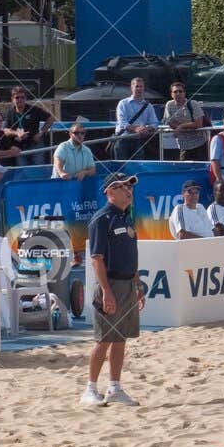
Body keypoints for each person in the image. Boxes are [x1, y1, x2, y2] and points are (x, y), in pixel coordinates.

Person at [81, 172, 145, 408]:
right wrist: (107, 291)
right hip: (111, 284)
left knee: (120, 339)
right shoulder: (102, 219)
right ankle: (90, 389)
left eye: (130, 186)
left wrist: (137, 284)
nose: (129, 190)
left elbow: (131, 256)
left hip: (127, 283)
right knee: (104, 339)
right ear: (109, 191)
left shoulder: (126, 217)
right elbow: (97, 258)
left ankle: (115, 388)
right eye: (122, 186)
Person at [161, 82, 210, 164]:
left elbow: (198, 124)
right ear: (171, 94)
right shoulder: (169, 105)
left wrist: (181, 126)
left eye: (180, 91)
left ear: (184, 93)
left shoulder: (193, 103)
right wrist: (189, 125)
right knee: (184, 171)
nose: (178, 94)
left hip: (200, 145)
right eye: (175, 92)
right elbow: (169, 122)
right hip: (183, 146)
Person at [112, 77, 159, 162]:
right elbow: (122, 123)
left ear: (143, 88)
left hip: (138, 141)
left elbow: (155, 123)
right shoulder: (123, 103)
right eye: (137, 86)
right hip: (122, 140)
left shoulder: (148, 106)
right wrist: (137, 129)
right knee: (121, 169)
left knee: (138, 167)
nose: (139, 89)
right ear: (132, 88)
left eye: (141, 86)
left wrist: (146, 129)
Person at [4, 86, 51, 163]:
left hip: (35, 144)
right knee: (22, 169)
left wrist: (41, 133)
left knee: (38, 167)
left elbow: (50, 118)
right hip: (19, 147)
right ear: (12, 99)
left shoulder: (34, 109)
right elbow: (6, 130)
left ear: (25, 99)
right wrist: (17, 133)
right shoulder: (10, 112)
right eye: (17, 97)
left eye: (22, 97)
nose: (20, 100)